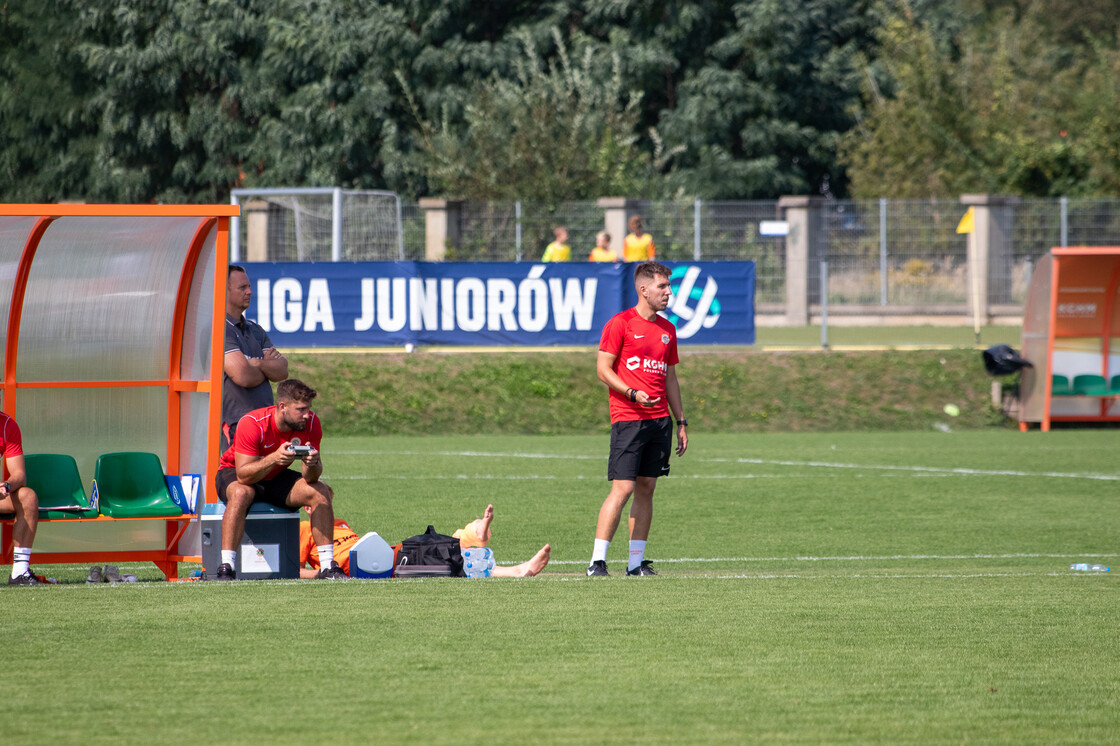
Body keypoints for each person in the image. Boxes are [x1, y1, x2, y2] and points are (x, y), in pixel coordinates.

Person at [588, 262, 687, 577]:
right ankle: (597, 562)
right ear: (644, 289)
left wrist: (681, 421)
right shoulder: (620, 323)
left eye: (669, 287)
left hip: (660, 421)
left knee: (647, 487)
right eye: (662, 287)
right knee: (623, 488)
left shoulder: (667, 330)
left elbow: (670, 378)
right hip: (629, 418)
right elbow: (603, 370)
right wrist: (631, 393)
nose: (668, 293)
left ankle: (634, 564)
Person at [214, 379, 344, 580]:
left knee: (320, 490)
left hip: (274, 474)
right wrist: (274, 458)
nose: (307, 414)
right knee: (241, 493)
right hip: (237, 472)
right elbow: (244, 475)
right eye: (301, 409)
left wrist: (313, 463)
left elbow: (310, 478)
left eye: (308, 408)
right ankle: (226, 567)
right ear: (282, 407)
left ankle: (328, 567)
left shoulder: (311, 423)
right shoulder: (252, 423)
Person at [298, 504, 551, 578]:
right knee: (443, 556)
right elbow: (293, 571)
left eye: (329, 502)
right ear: (308, 509)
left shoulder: (340, 523)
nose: (328, 508)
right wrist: (323, 573)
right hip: (367, 567)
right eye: (323, 504)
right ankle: (516, 571)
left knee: (444, 544)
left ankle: (478, 531)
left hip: (390, 552)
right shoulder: (305, 529)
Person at [222, 265, 288, 452]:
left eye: (249, 286)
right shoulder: (220, 328)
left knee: (268, 478)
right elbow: (243, 375)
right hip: (237, 423)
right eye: (242, 288)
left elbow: (282, 370)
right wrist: (266, 368)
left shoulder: (255, 329)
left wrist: (257, 363)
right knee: (240, 479)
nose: (250, 291)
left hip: (266, 421)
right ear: (223, 291)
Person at [0, 412, 41, 585]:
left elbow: (19, 475)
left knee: (28, 496)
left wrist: (6, 485)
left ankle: (20, 572)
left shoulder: (7, 424)